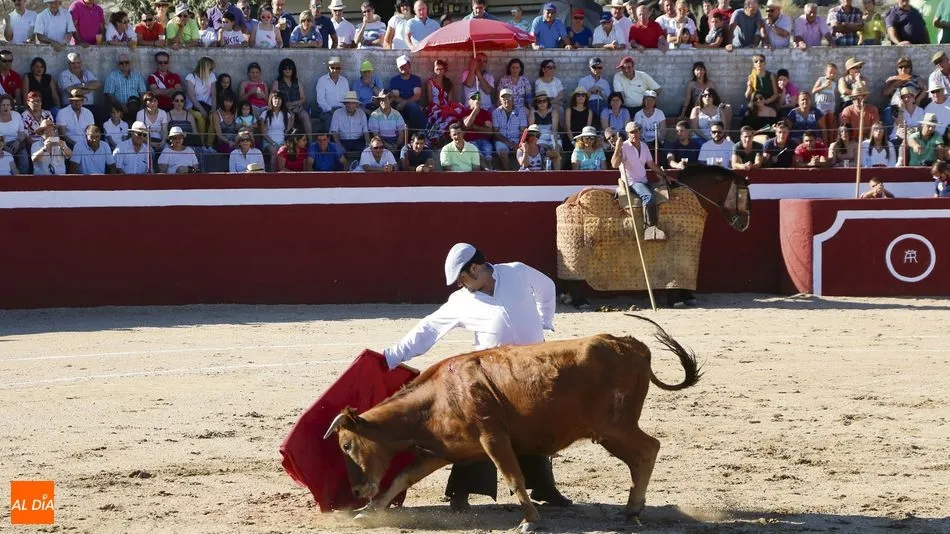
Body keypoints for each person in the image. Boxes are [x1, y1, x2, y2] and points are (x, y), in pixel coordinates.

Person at [382, 241, 569, 512]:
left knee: (534, 426)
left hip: (532, 370)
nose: (460, 284)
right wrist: (390, 357)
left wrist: (545, 321)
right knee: (481, 431)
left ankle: (543, 486)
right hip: (493, 378)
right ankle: (461, 492)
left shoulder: (516, 272)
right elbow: (428, 330)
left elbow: (547, 288)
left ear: (475, 267)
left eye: (462, 277)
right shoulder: (461, 301)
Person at [612, 122, 669, 240]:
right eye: (631, 132)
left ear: (640, 131)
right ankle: (649, 229)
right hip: (632, 182)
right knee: (648, 197)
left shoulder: (644, 146)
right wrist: (617, 147)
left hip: (643, 180)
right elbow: (614, 164)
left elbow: (651, 164)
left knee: (663, 192)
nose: (634, 134)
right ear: (627, 134)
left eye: (636, 131)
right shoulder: (623, 147)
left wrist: (664, 174)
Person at [271, 58, 311, 143]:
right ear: (281, 70)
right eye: (285, 68)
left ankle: (310, 142)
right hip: (283, 108)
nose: (287, 70)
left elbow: (303, 98)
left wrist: (294, 104)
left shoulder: (297, 82)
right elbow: (273, 97)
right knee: (291, 115)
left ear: (293, 70)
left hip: (297, 107)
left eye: (290, 68)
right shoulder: (277, 82)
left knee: (305, 115)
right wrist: (286, 106)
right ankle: (290, 143)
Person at [105, 54, 148, 124]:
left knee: (133, 104)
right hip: (118, 107)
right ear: (118, 64)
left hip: (135, 106)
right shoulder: (112, 76)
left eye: (126, 62)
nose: (124, 65)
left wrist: (141, 109)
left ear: (130, 63)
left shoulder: (137, 76)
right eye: (121, 63)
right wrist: (120, 105)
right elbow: (109, 95)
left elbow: (142, 94)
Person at [389, 55, 426, 134]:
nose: (403, 67)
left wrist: (405, 102)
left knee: (413, 106)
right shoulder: (395, 80)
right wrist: (403, 103)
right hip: (399, 106)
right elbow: (395, 97)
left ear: (409, 65)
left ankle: (423, 132)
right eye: (401, 66)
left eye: (405, 65)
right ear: (398, 68)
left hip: (412, 106)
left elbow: (417, 95)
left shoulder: (416, 79)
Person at [491, 88, 526, 171]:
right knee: (502, 151)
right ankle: (509, 173)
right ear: (500, 100)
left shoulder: (521, 112)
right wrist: (509, 143)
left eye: (509, 97)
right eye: (504, 98)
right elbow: (496, 133)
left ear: (513, 99)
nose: (506, 100)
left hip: (517, 140)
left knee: (524, 151)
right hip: (502, 141)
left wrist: (519, 144)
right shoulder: (495, 112)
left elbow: (523, 131)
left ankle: (522, 173)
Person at [315, 57, 349, 132]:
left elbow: (347, 98)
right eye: (332, 67)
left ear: (340, 69)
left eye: (337, 68)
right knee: (330, 120)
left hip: (342, 109)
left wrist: (343, 110)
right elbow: (320, 100)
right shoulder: (322, 80)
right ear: (328, 68)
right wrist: (331, 111)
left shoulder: (345, 81)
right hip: (326, 111)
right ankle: (331, 138)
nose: (335, 70)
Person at [330, 91, 368, 157]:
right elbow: (334, 132)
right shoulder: (337, 113)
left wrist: (368, 144)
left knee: (368, 152)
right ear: (344, 104)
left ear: (356, 104)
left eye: (353, 103)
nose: (350, 105)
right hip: (343, 141)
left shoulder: (361, 113)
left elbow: (365, 131)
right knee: (337, 152)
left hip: (358, 141)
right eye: (348, 103)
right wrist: (339, 145)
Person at [811, 62, 839, 144]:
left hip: (831, 105)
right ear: (826, 72)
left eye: (834, 73)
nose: (832, 75)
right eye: (830, 72)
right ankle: (825, 145)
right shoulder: (821, 79)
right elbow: (813, 91)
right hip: (821, 105)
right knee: (823, 128)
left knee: (831, 127)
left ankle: (831, 145)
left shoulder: (834, 83)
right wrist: (824, 86)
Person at [462, 93, 492, 164]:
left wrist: (474, 127)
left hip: (484, 140)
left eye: (478, 98)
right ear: (469, 101)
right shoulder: (465, 111)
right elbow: (467, 124)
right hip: (471, 141)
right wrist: (475, 110)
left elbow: (490, 131)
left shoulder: (486, 113)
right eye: (474, 98)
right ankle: (487, 169)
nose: (476, 100)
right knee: (479, 156)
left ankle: (490, 169)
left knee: (488, 157)